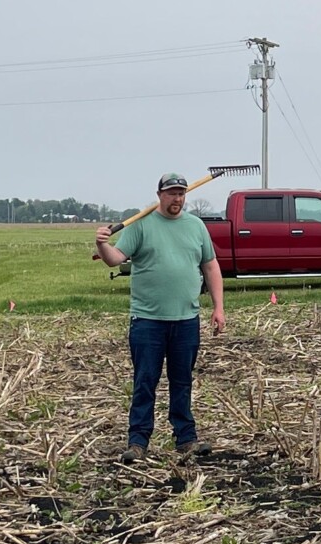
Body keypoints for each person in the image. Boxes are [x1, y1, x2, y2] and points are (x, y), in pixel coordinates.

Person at [94, 173, 225, 454]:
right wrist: (102, 244)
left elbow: (211, 266)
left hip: (186, 321)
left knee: (182, 382)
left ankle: (186, 439)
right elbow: (115, 259)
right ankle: (138, 441)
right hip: (147, 322)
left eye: (181, 193)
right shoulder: (140, 225)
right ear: (159, 195)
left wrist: (218, 308)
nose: (177, 198)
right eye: (171, 193)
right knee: (145, 381)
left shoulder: (196, 226)